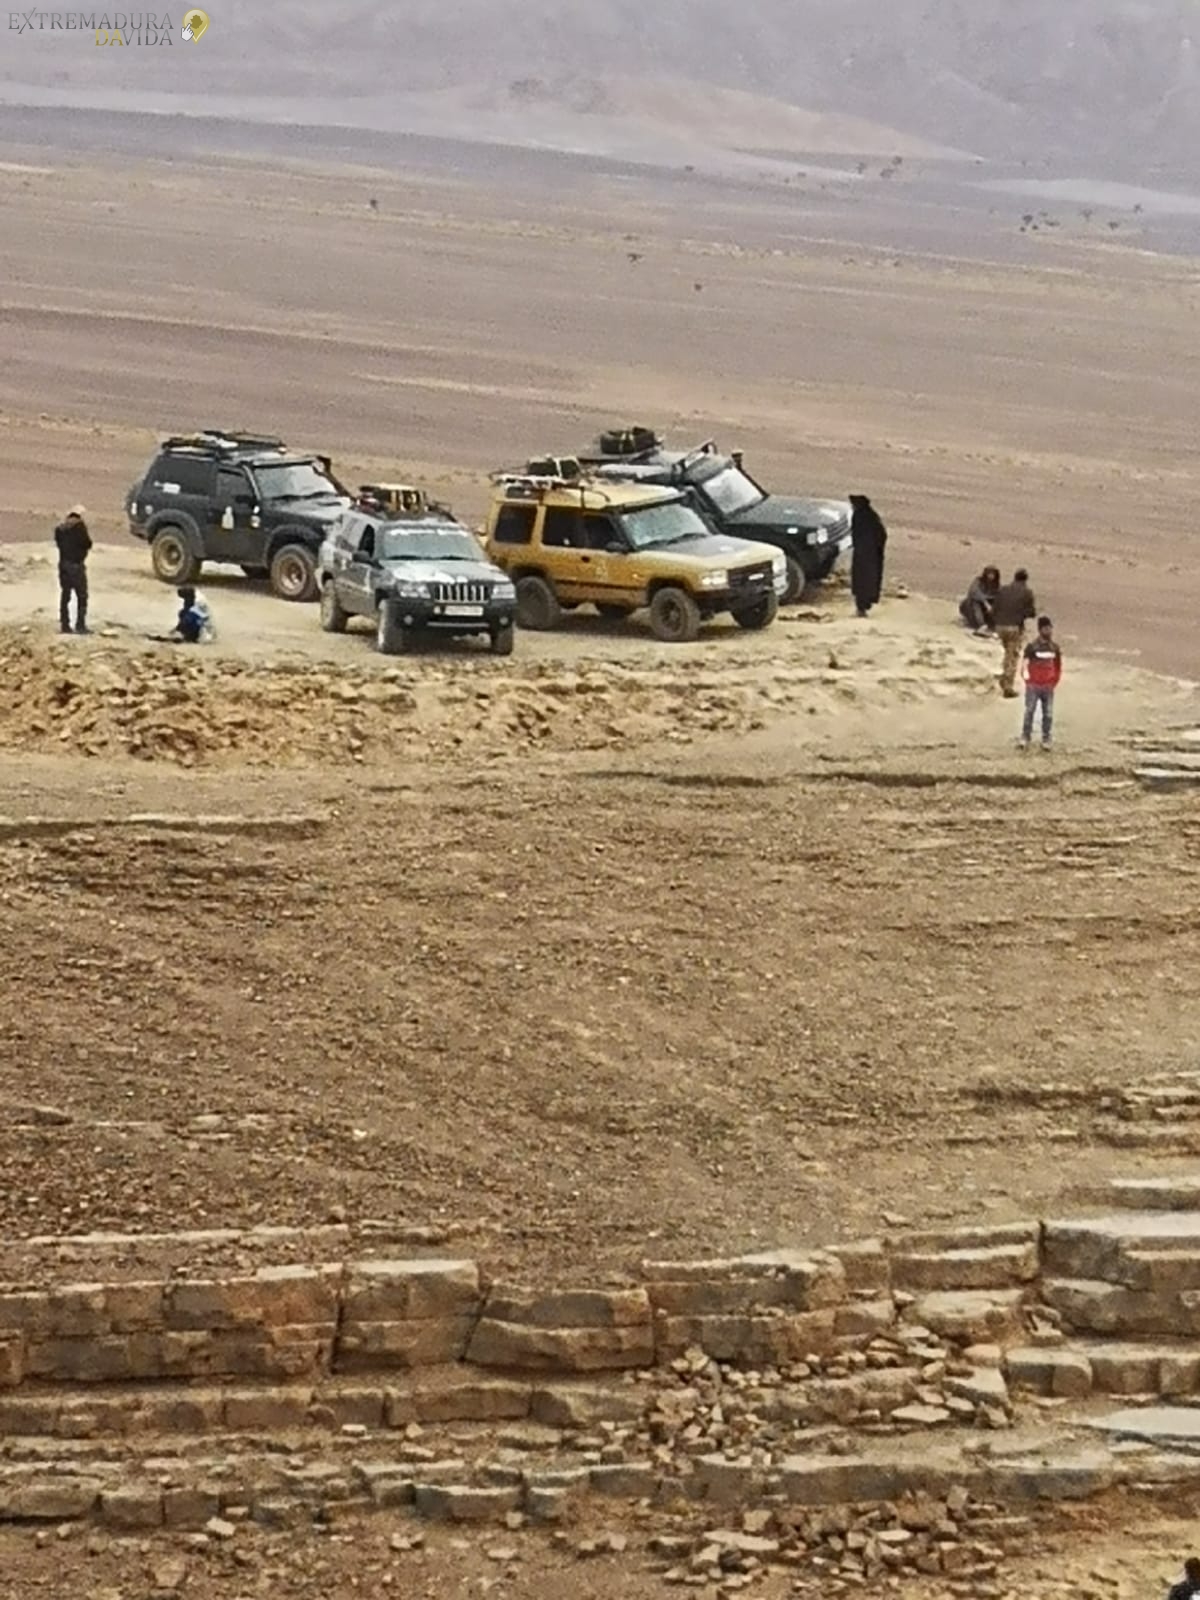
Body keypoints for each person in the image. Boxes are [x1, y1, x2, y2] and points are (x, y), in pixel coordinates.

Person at [992, 567, 1037, 697]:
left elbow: (995, 608)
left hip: (999, 626)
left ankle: (1003, 676)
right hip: (1014, 627)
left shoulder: (1003, 589)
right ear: (1025, 580)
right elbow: (1031, 612)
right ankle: (1008, 686)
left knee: (1005, 653)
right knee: (1012, 656)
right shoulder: (1027, 592)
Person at [1019, 616, 1061, 750]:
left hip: (1048, 686)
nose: (1049, 631)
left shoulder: (1054, 648)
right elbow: (1024, 664)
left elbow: (1057, 666)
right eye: (1046, 629)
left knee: (1048, 714)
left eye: (1050, 628)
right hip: (1034, 685)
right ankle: (1025, 737)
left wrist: (1054, 680)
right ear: (1040, 630)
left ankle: (1046, 738)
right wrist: (1028, 680)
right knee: (1029, 711)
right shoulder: (1032, 647)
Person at [54, 503, 91, 635]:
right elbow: (87, 543)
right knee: (82, 596)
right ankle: (80, 625)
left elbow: (58, 543)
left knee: (65, 595)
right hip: (76, 565)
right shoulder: (79, 527)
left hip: (63, 564)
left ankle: (65, 625)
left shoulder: (60, 528)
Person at [849, 493, 888, 617]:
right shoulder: (871, 516)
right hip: (871, 555)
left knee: (862, 583)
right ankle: (864, 606)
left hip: (863, 556)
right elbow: (881, 534)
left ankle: (861, 608)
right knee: (867, 582)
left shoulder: (860, 516)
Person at [148, 586, 215, 644]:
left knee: (185, 617)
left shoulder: (195, 608)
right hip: (202, 628)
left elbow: (188, 620)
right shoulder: (196, 600)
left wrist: (177, 630)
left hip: (201, 634)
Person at [959, 566, 1000, 634]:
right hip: (972, 608)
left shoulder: (996, 585)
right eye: (989, 574)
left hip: (986, 611)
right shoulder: (978, 581)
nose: (991, 576)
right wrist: (985, 602)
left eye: (993, 574)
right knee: (976, 602)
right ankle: (981, 625)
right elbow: (974, 592)